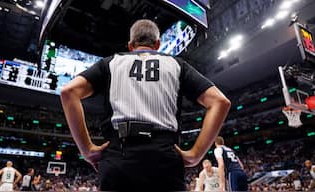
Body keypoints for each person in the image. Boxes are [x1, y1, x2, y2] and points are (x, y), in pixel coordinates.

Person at [61, 19, 231, 191]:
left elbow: (68, 92)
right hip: (164, 158)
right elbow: (220, 101)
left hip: (118, 155)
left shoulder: (110, 63)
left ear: (130, 45)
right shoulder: (177, 65)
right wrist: (196, 154)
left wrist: (87, 150)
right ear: (157, 44)